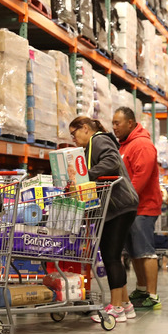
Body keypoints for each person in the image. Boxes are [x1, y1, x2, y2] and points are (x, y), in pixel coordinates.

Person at [69, 116, 139, 323]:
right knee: (113, 256)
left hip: (119, 206)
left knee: (111, 256)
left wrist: (86, 175)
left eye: (74, 133)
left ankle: (115, 307)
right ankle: (125, 304)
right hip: (118, 207)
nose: (73, 138)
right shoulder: (92, 146)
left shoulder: (98, 140)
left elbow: (111, 162)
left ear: (85, 128)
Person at [112, 107, 163, 310]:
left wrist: (125, 199)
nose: (114, 127)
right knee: (134, 252)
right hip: (131, 207)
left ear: (131, 123)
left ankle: (153, 295)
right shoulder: (125, 145)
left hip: (143, 206)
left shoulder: (142, 144)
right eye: (113, 123)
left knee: (145, 251)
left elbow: (140, 178)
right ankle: (142, 289)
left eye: (118, 123)